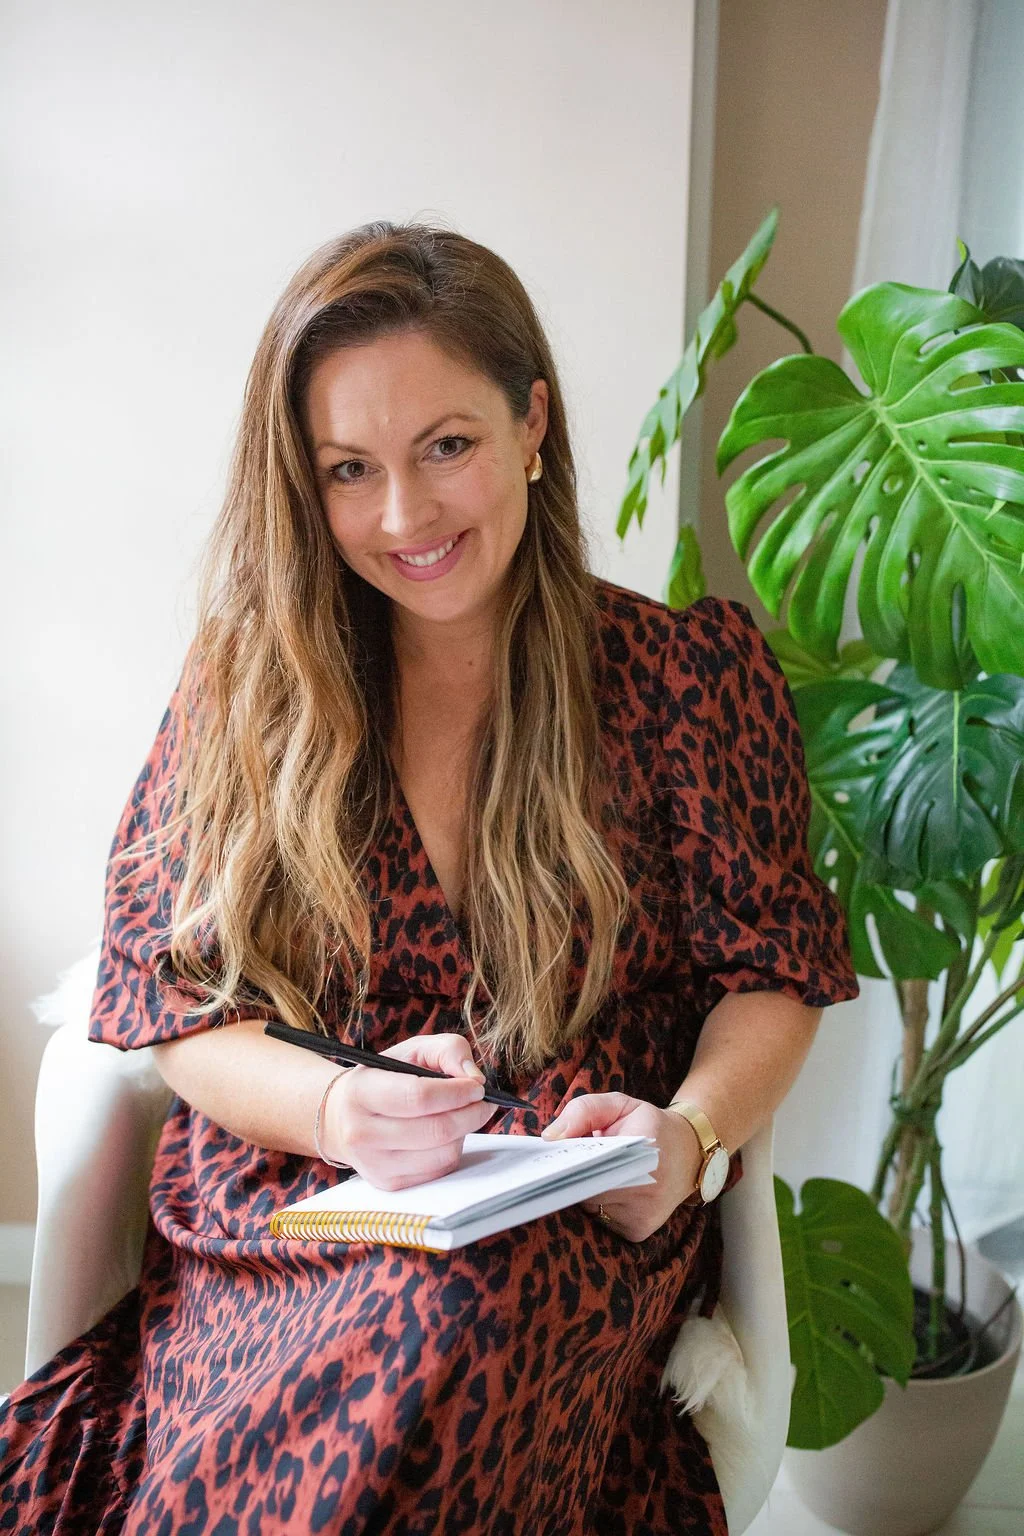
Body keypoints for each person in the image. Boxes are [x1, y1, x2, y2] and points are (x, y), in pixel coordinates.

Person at [0, 221, 858, 1535]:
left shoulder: (689, 678)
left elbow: (772, 980)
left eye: (445, 446)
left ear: (532, 424)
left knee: (463, 1332)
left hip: (578, 1203)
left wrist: (686, 1133)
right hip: (297, 1194)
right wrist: (344, 1112)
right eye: (351, 469)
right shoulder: (251, 688)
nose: (402, 517)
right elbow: (173, 1006)